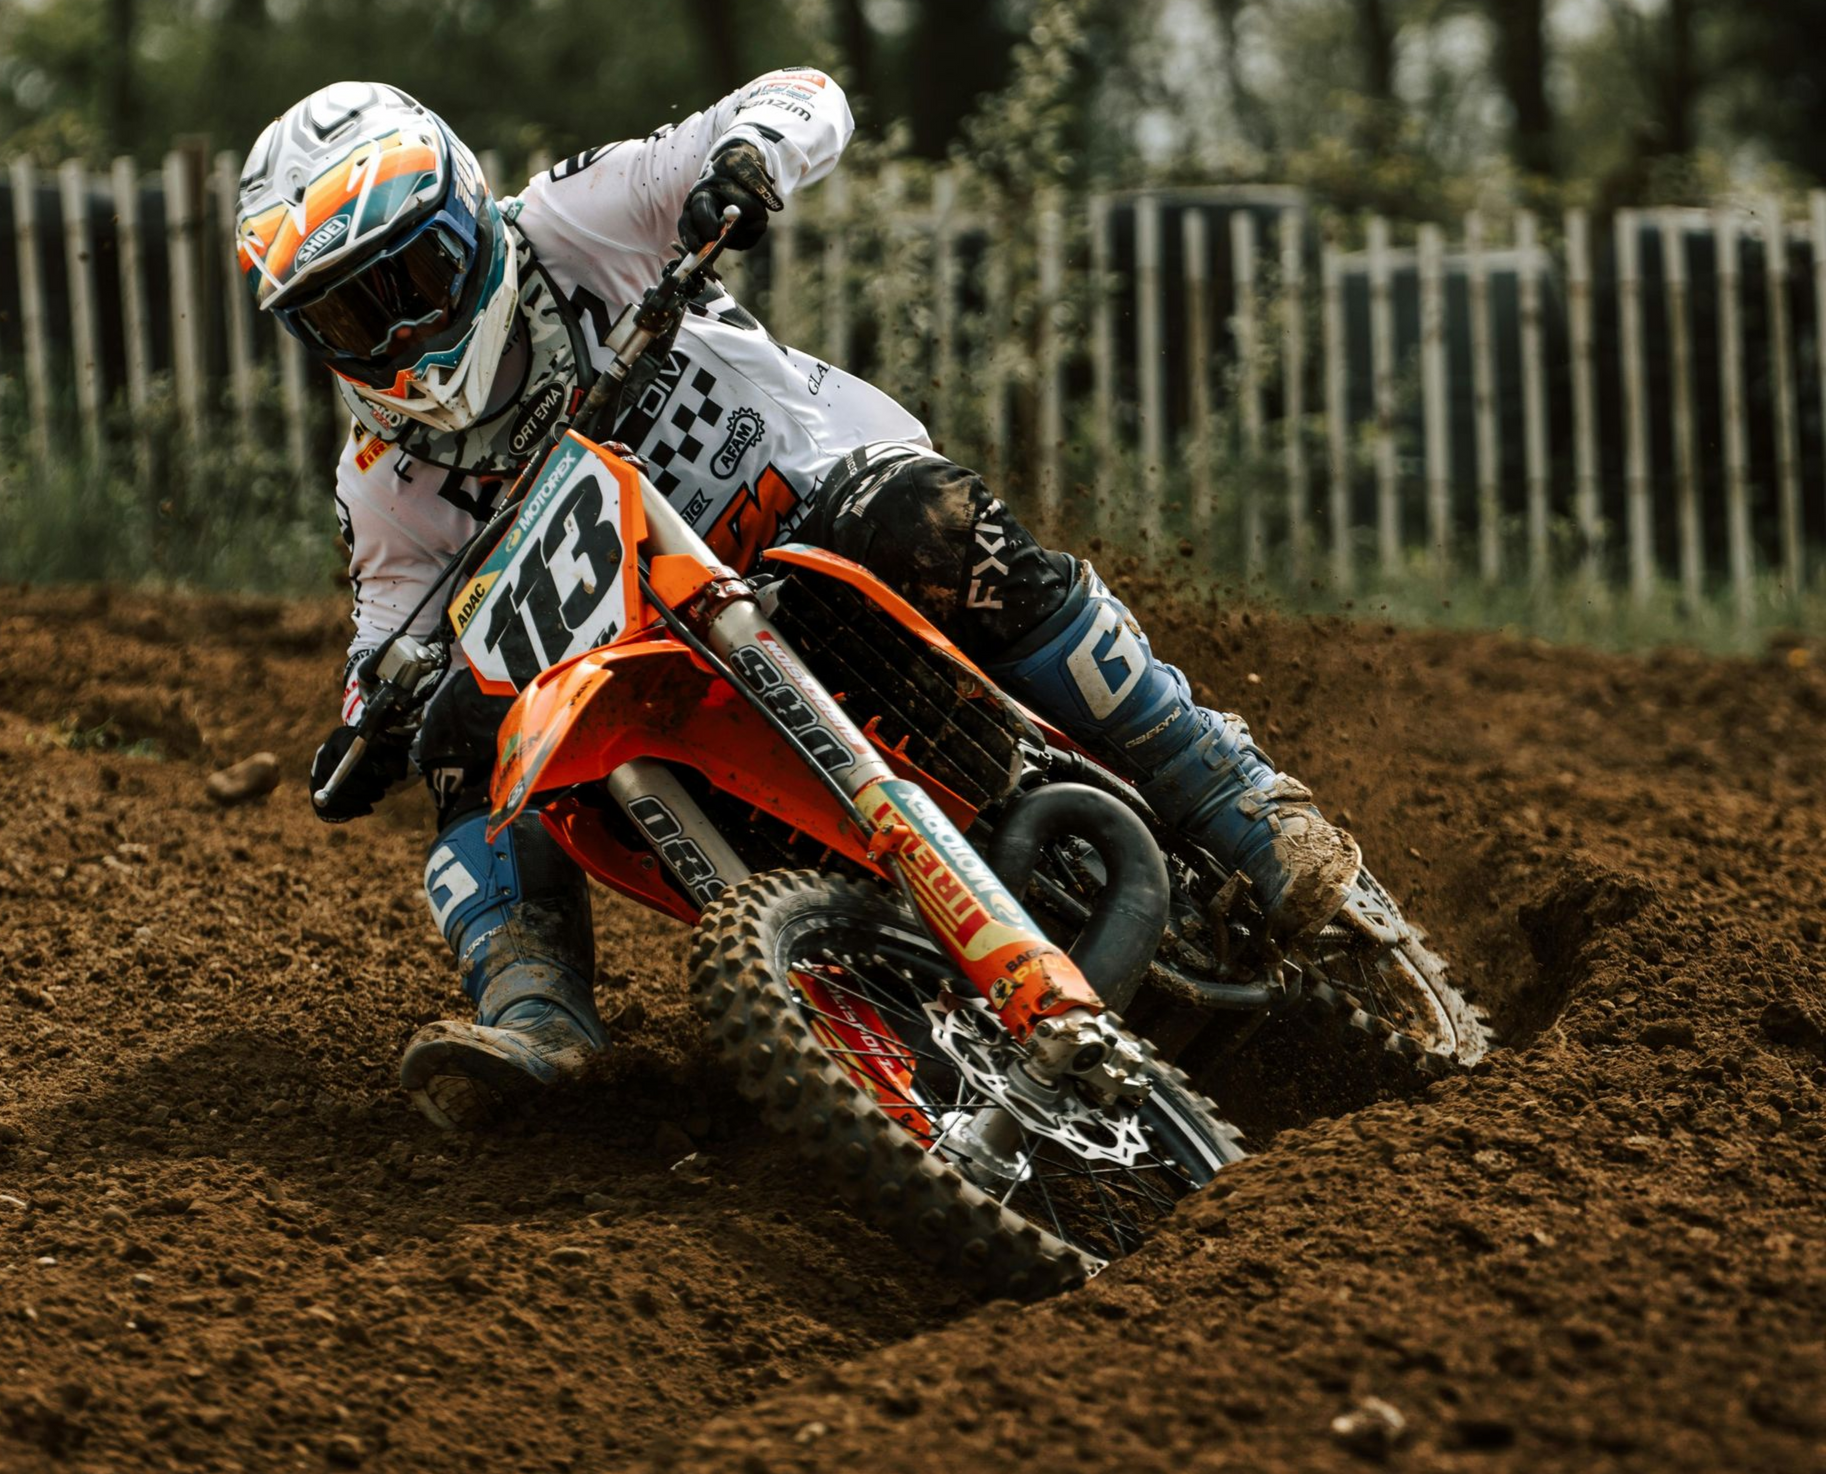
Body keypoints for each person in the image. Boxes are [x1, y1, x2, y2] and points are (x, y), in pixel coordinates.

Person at [234, 75, 1360, 1130]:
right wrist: (375, 714)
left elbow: (806, 95)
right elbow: (387, 632)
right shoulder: (386, 477)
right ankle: (539, 1013)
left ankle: (1232, 796)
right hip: (664, 664)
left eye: (410, 285)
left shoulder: (578, 219)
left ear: (469, 219)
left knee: (929, 524)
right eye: (345, 321)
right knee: (472, 752)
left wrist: (747, 156)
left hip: (818, 517)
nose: (394, 340)